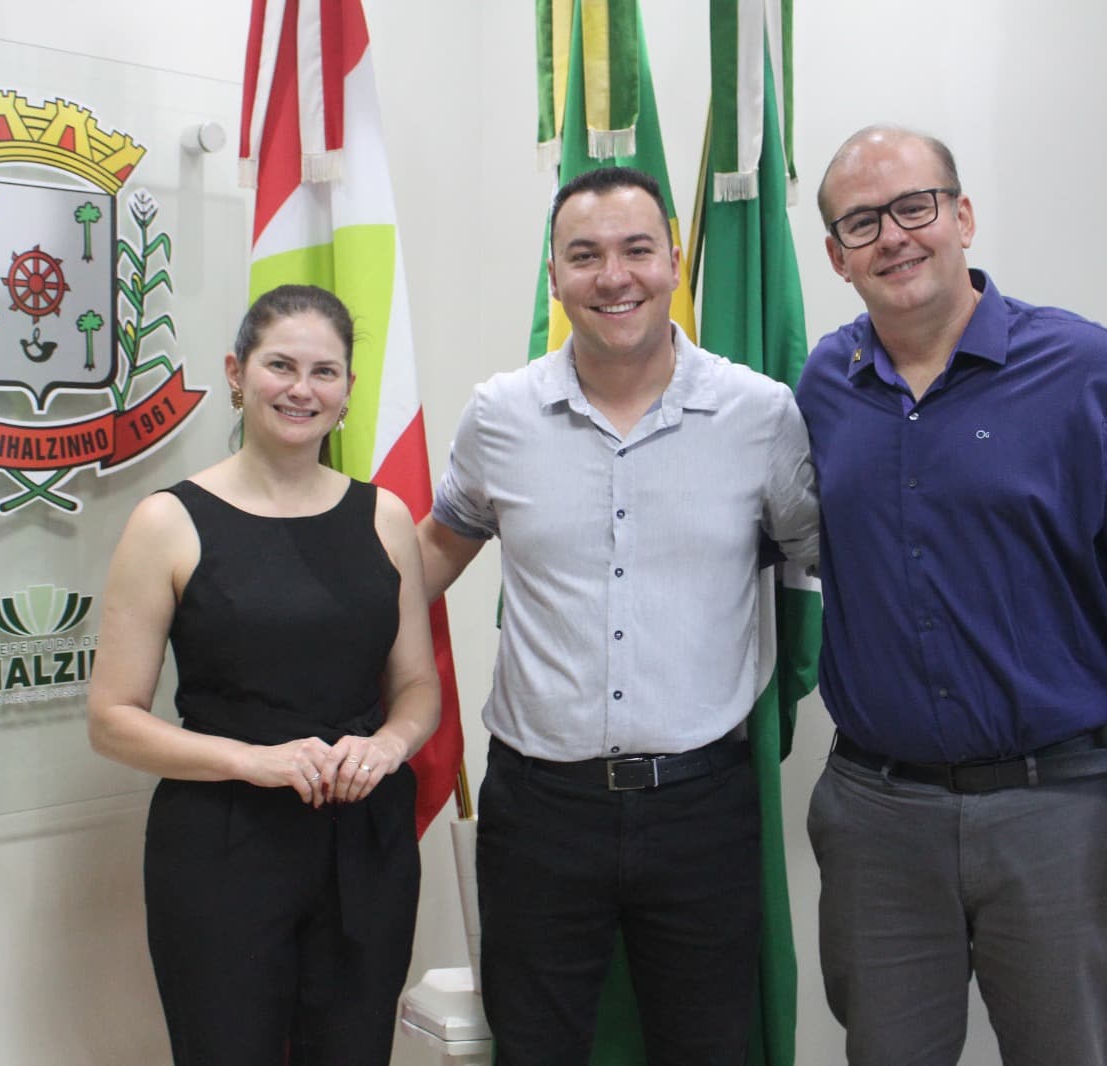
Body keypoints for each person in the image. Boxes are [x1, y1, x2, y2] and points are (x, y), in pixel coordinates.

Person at [796, 127, 1107, 1066]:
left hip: (1060, 816)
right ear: (837, 258)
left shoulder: (1091, 376)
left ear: (962, 215)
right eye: (862, 222)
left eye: (915, 206)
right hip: (878, 820)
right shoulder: (821, 389)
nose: (894, 236)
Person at [417, 166, 817, 1065]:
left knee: (710, 1046)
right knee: (535, 1048)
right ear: (553, 276)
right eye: (585, 255)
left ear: (673, 259)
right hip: (540, 809)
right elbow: (433, 553)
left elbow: (822, 557)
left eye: (637, 249)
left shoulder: (760, 415)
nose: (614, 276)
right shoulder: (501, 415)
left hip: (702, 807)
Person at [87, 284, 440, 1066]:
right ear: (238, 373)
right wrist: (255, 763)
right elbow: (112, 718)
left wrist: (388, 745)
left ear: (348, 389)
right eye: (280, 365)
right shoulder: (167, 522)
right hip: (222, 847)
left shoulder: (383, 517)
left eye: (325, 371)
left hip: (365, 843)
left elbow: (417, 686)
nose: (301, 388)